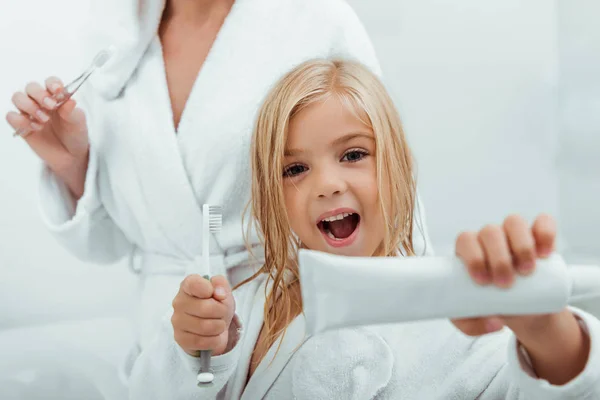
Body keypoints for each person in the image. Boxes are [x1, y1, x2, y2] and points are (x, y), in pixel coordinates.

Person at [4, 0, 433, 377]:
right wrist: (73, 165)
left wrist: (414, 341)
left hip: (291, 332)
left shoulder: (317, 19)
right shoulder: (115, 39)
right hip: (161, 349)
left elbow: (388, 188)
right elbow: (113, 243)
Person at [129, 59, 600, 399]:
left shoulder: (448, 321)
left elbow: (550, 387)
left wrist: (544, 330)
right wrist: (198, 353)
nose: (327, 185)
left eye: (353, 154)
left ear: (397, 166)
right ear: (274, 195)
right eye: (294, 169)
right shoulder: (243, 300)